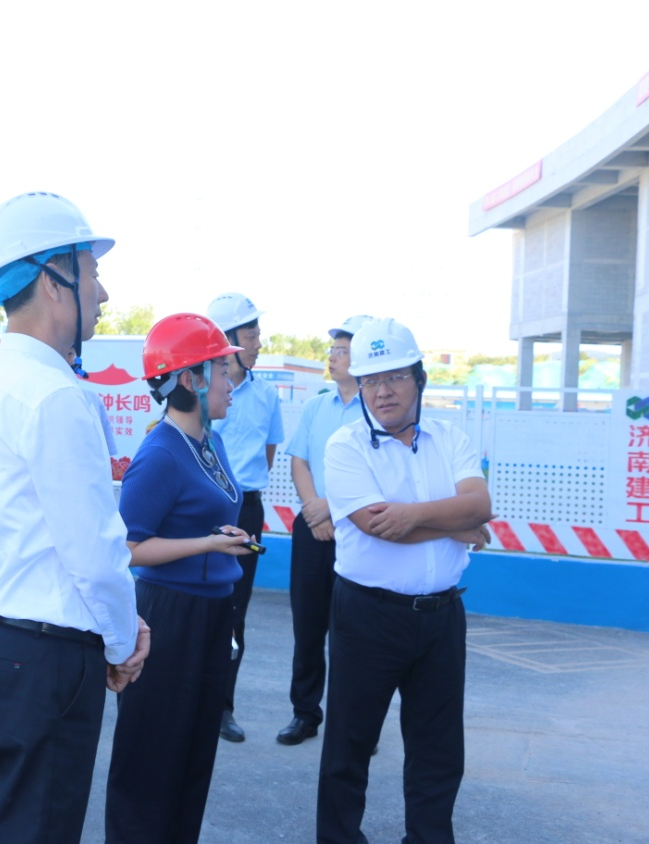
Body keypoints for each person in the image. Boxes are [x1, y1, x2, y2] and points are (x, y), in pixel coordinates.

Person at [0, 190, 148, 844]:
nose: (102, 293)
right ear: (53, 278)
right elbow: (94, 550)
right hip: (48, 663)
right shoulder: (56, 396)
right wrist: (123, 642)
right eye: (92, 271)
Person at [317, 317, 492, 844]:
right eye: (370, 380)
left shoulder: (451, 438)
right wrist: (456, 526)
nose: (382, 391)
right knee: (349, 746)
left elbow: (479, 505)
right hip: (368, 616)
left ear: (419, 378)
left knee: (439, 749)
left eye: (394, 377)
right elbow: (378, 527)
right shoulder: (345, 445)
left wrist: (414, 515)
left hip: (442, 616)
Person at [105, 313, 254, 843]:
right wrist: (208, 544)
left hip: (212, 612)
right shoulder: (160, 454)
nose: (230, 381)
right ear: (189, 380)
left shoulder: (211, 442)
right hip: (169, 616)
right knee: (151, 758)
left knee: (193, 756)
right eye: (222, 370)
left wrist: (221, 537)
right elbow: (128, 549)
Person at [276, 315, 370, 748]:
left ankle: (356, 724)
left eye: (342, 351)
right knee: (308, 625)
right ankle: (305, 713)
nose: (332, 358)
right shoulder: (317, 406)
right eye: (332, 350)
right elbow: (299, 460)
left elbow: (380, 475)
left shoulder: (378, 408)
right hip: (313, 529)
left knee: (357, 632)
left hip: (360, 530)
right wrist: (314, 511)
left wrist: (331, 508)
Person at [205, 292, 284, 743]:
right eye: (251, 334)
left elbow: (266, 455)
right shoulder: (198, 387)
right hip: (202, 508)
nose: (258, 342)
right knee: (194, 601)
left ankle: (222, 707)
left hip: (246, 507)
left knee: (235, 610)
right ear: (228, 338)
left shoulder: (267, 394)